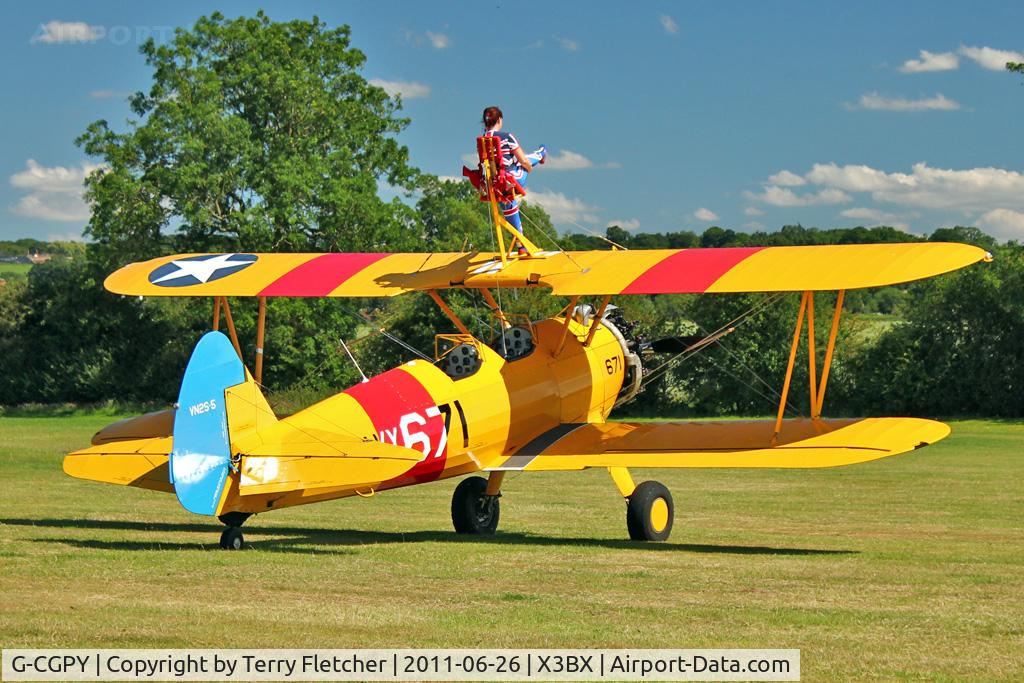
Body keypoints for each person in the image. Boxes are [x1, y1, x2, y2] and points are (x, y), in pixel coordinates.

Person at [481, 105, 546, 236]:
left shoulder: (483, 140)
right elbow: (524, 161)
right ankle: (541, 154)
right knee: (525, 161)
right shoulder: (506, 137)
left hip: (492, 182)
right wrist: (529, 168)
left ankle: (520, 243)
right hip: (510, 179)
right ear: (499, 120)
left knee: (507, 199)